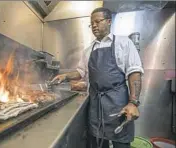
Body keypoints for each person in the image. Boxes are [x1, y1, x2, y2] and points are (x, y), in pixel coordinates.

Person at [51, 7, 144, 148]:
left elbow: (134, 72)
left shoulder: (123, 43)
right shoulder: (89, 50)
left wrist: (133, 103)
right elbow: (80, 72)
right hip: (96, 105)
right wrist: (65, 76)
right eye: (91, 23)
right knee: (98, 144)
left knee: (121, 144)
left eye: (97, 21)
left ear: (108, 22)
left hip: (118, 104)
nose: (94, 25)